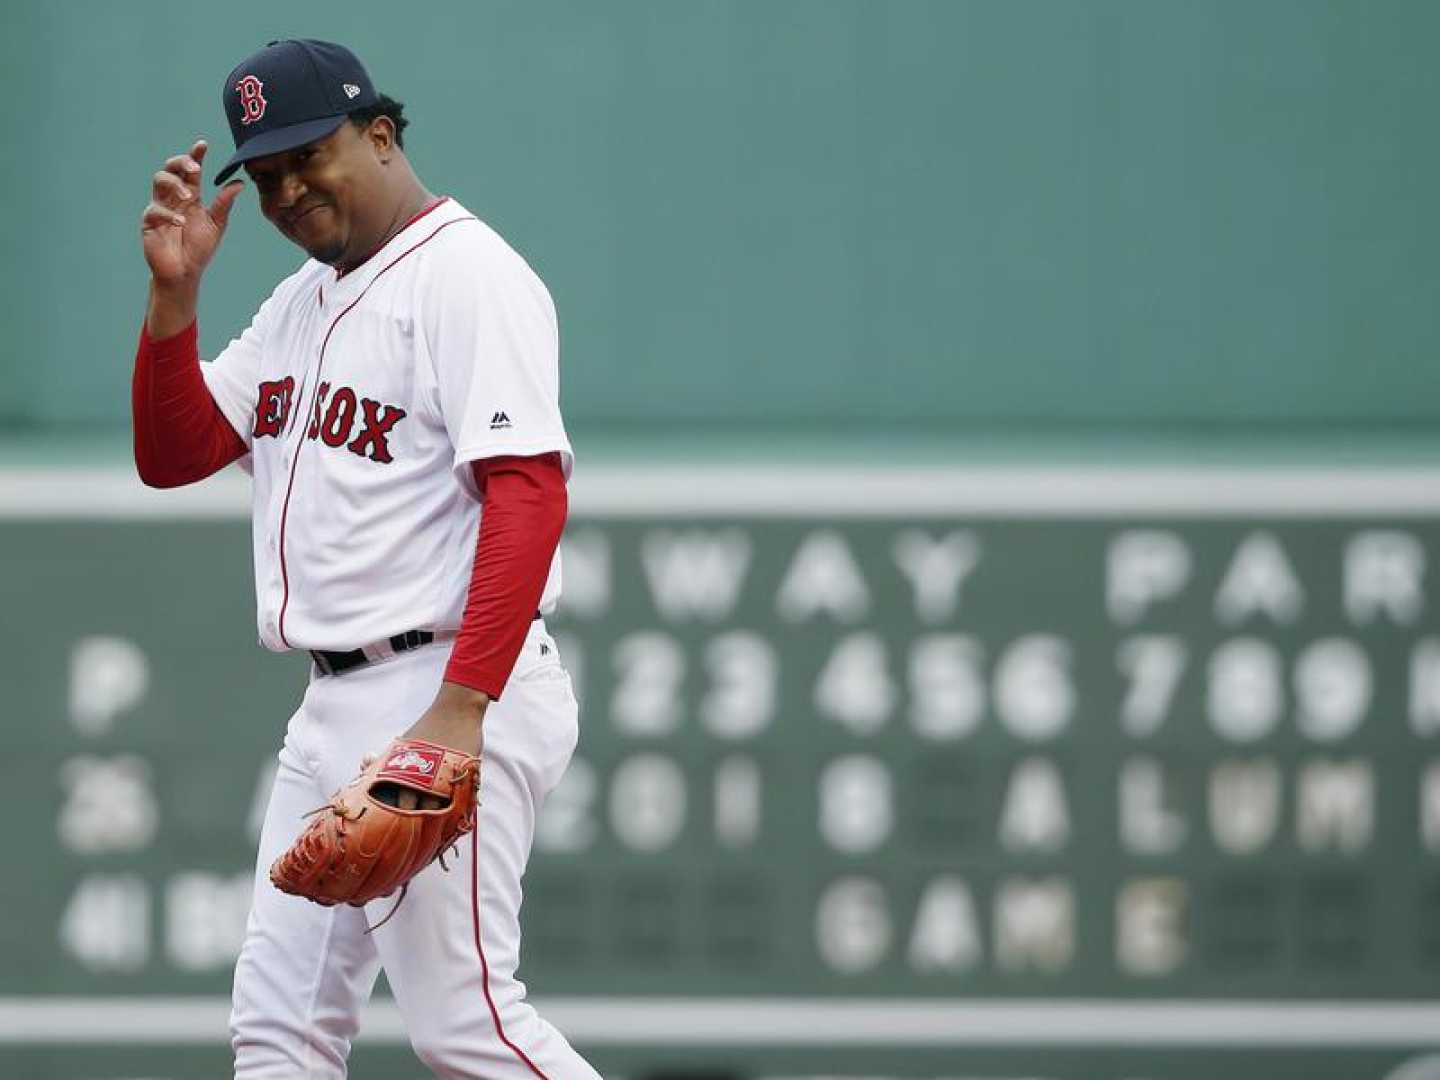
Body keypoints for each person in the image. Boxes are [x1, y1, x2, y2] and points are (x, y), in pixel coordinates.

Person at [133, 38, 602, 1079]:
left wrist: (457, 713)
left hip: (442, 686)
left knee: (467, 1025)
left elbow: (529, 493)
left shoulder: (466, 275)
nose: (289, 189)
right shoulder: (299, 304)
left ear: (381, 135)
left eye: (309, 156)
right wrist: (174, 305)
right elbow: (178, 453)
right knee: (279, 1033)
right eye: (264, 175)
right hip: (336, 708)